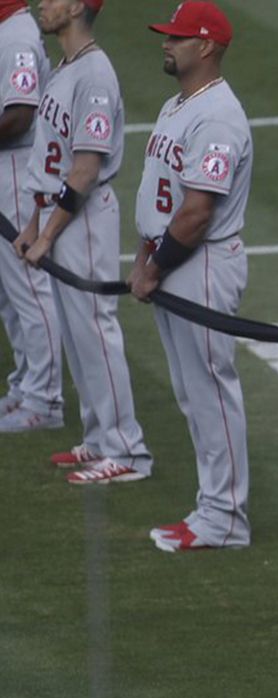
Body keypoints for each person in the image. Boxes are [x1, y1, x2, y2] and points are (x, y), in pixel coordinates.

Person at [130, 1, 252, 552]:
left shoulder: (218, 117)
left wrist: (155, 267)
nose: (165, 43)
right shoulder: (179, 104)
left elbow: (198, 211)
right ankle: (211, 508)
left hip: (199, 265)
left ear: (206, 47)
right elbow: (159, 193)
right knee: (191, 393)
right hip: (173, 259)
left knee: (210, 392)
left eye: (177, 37)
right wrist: (142, 255)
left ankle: (226, 518)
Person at [15, 0, 151, 483]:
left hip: (84, 217)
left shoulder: (95, 75)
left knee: (95, 328)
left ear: (76, 7)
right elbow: (48, 158)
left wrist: (48, 234)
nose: (40, 5)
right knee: (76, 333)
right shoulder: (66, 68)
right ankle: (98, 440)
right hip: (59, 211)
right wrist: (33, 223)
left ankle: (127, 450)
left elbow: (86, 168)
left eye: (52, 0)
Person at [0, 0, 60, 433]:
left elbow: (19, 115)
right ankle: (25, 387)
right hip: (7, 167)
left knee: (28, 287)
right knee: (9, 291)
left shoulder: (17, 34)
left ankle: (44, 401)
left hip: (18, 171)